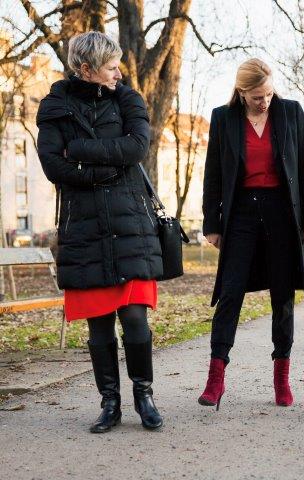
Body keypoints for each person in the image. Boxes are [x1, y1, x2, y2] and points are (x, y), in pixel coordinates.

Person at [36, 31, 163, 433]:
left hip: (129, 225)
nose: (118, 72)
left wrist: (80, 153)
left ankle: (144, 394)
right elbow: (53, 166)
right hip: (84, 229)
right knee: (99, 325)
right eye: (110, 67)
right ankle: (110, 402)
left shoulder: (127, 98)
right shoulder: (55, 105)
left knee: (136, 319)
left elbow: (136, 148)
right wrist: (102, 166)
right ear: (86, 69)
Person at [199, 58, 304, 409]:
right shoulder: (223, 119)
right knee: (230, 294)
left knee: (282, 298)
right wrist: (212, 223)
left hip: (283, 214)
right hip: (241, 216)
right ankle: (215, 378)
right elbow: (213, 173)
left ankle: (281, 380)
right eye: (256, 97)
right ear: (241, 92)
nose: (263, 101)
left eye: (267, 94)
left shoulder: (291, 112)